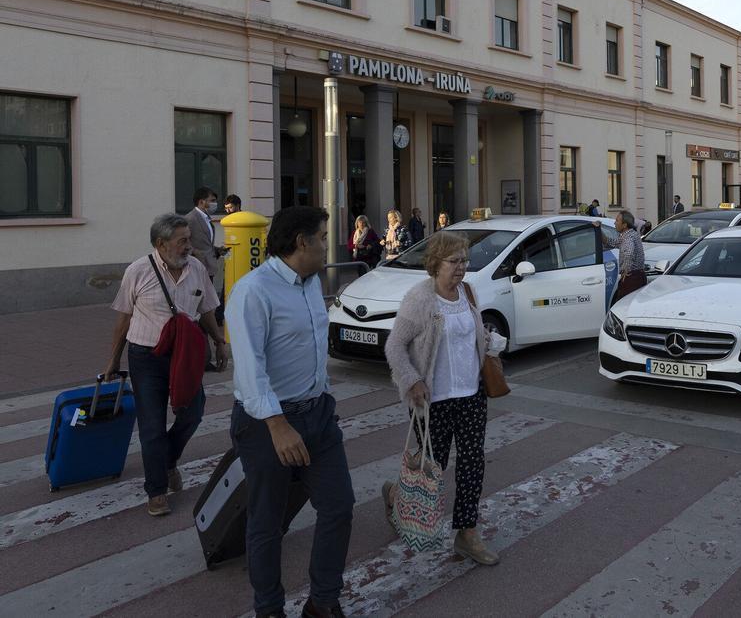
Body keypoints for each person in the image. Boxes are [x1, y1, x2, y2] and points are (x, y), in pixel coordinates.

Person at [226, 206, 355, 618]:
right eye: (322, 235)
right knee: (268, 521)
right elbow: (250, 367)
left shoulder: (311, 282)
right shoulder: (253, 290)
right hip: (269, 423)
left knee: (338, 505)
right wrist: (278, 426)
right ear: (302, 242)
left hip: (317, 416)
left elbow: (312, 348)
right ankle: (269, 609)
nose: (327, 243)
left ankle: (322, 602)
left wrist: (323, 398)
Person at [383, 232, 500, 566]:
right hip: (433, 400)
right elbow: (395, 346)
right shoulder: (420, 299)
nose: (461, 268)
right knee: (433, 468)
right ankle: (396, 494)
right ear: (436, 264)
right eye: (454, 262)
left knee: (472, 463)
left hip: (471, 395)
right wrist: (412, 380)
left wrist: (489, 342)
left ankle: (467, 534)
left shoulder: (468, 292)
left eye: (464, 260)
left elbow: (471, 334)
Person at [104, 213, 225, 516]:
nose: (189, 246)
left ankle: (167, 460)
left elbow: (207, 308)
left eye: (189, 239)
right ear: (161, 243)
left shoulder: (196, 268)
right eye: (182, 240)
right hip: (146, 357)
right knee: (152, 426)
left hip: (185, 357)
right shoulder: (138, 271)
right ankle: (156, 490)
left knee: (193, 414)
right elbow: (124, 318)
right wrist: (113, 359)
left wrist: (220, 342)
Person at [595, 210, 646, 303]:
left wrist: (625, 271)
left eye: (617, 221)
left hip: (632, 279)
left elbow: (629, 253)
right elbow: (609, 242)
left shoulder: (628, 237)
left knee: (624, 307)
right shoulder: (629, 234)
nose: (614, 223)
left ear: (624, 225)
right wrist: (598, 229)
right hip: (637, 277)